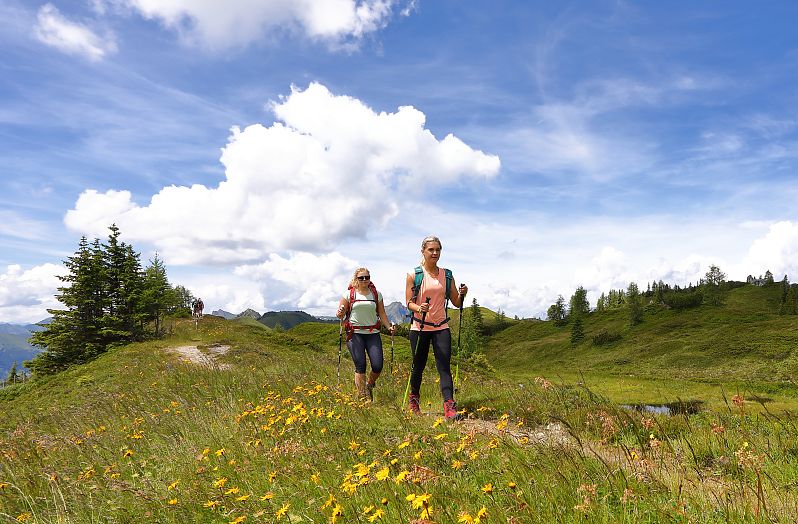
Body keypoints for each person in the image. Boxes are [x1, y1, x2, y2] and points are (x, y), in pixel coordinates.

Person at [405, 236, 467, 420]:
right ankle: (413, 401)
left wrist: (463, 294)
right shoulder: (414, 275)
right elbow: (408, 302)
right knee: (418, 366)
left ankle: (449, 406)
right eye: (431, 250)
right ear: (423, 251)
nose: (435, 253)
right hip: (419, 327)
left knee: (444, 366)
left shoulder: (447, 275)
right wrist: (419, 308)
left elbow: (456, 302)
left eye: (437, 250)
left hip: (441, 327)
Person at [336, 268, 395, 401]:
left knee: (378, 365)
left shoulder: (376, 294)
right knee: (360, 365)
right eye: (361, 278)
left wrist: (388, 326)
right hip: (354, 333)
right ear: (356, 279)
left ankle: (369, 384)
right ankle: (363, 396)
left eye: (366, 277)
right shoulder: (348, 294)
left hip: (372, 333)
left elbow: (382, 314)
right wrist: (340, 312)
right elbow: (340, 313)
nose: (364, 280)